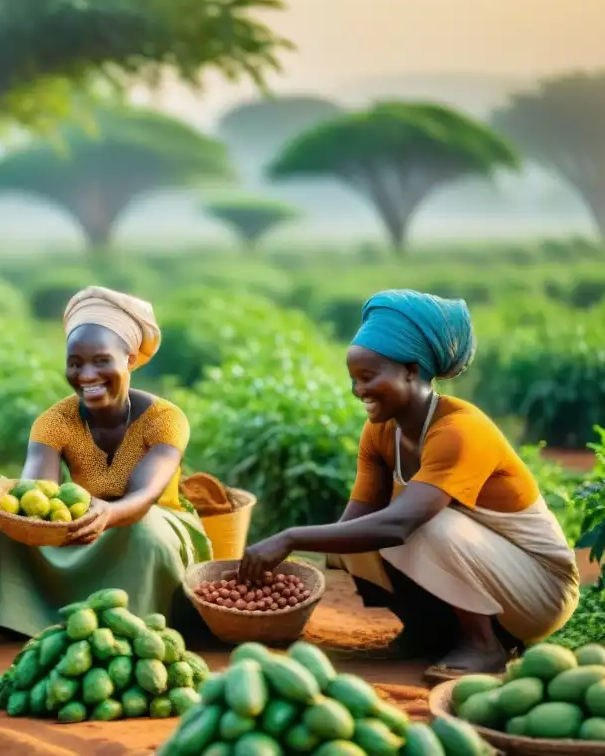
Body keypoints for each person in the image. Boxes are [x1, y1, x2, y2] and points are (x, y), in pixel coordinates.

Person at [239, 289, 580, 681]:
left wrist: (289, 536)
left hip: (539, 590)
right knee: (354, 542)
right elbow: (357, 521)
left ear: (411, 371)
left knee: (421, 523)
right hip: (489, 578)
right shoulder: (380, 432)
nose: (358, 391)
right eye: (354, 379)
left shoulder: (459, 431)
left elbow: (399, 524)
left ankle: (484, 646)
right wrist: (297, 574)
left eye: (368, 377)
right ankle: (426, 633)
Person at [0, 286, 213, 638]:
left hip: (155, 522)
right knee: (14, 533)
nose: (86, 375)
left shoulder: (165, 419)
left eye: (101, 361)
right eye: (75, 363)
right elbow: (38, 494)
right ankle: (32, 624)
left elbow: (146, 495)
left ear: (130, 359)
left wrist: (107, 514)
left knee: (141, 530)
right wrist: (20, 515)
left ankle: (137, 628)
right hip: (81, 524)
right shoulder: (55, 421)